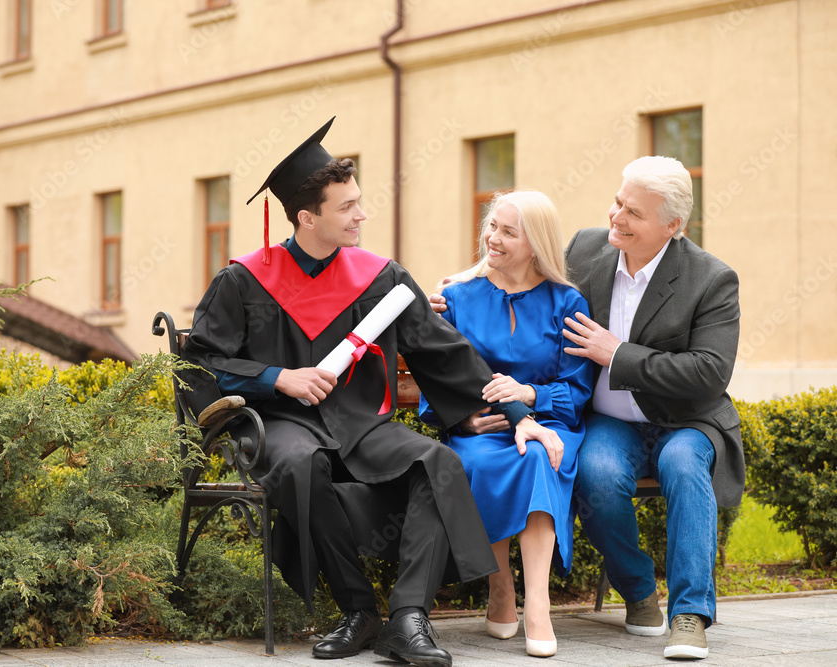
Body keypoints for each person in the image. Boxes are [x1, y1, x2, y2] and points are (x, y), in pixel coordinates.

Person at [181, 117, 562, 667]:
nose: (362, 214)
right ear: (307, 217)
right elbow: (199, 363)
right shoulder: (244, 281)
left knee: (436, 462)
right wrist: (276, 378)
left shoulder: (379, 278)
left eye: (360, 202)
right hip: (278, 423)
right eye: (347, 207)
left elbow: (443, 352)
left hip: (359, 424)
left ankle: (409, 619)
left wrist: (515, 409)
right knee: (299, 464)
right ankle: (359, 611)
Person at [561, 156, 743, 660]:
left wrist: (617, 354)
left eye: (633, 213)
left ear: (672, 226)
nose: (617, 217)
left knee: (684, 466)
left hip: (686, 421)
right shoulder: (584, 247)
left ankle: (690, 614)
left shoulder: (711, 279)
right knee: (594, 472)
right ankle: (639, 592)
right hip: (611, 422)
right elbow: (527, 280)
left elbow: (709, 371)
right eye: (618, 202)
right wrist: (460, 290)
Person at [421, 190, 592, 658]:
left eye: (508, 232)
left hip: (548, 423)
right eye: (492, 226)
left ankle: (537, 602)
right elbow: (438, 379)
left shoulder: (567, 302)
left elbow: (577, 391)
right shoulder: (456, 297)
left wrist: (529, 394)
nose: (492, 238)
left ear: (535, 243)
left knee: (537, 455)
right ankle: (501, 588)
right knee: (478, 461)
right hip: (480, 429)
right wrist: (464, 418)